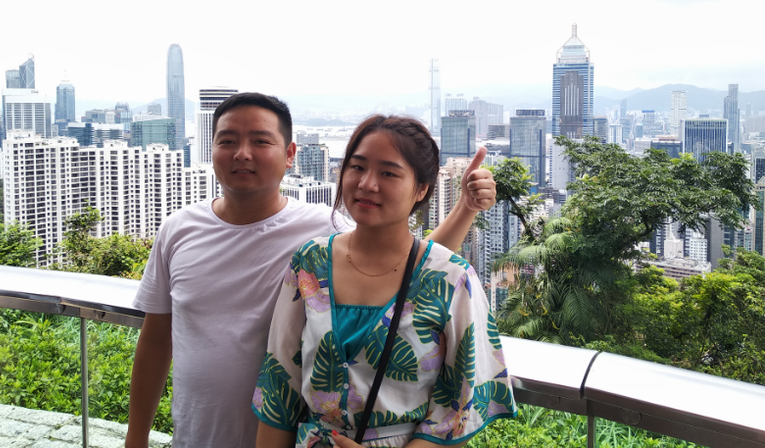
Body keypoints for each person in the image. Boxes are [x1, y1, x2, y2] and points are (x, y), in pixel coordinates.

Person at [126, 94, 499, 448]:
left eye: (260, 141)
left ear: (290, 154)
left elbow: (408, 267)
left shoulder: (322, 230)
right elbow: (156, 339)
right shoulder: (182, 231)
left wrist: (464, 209)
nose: (242, 153)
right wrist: (135, 439)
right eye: (228, 140)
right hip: (195, 435)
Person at [253, 115, 517, 448]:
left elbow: (455, 415)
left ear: (421, 189)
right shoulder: (310, 262)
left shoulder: (454, 279)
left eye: (388, 173)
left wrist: (466, 207)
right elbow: (279, 391)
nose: (367, 184)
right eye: (357, 167)